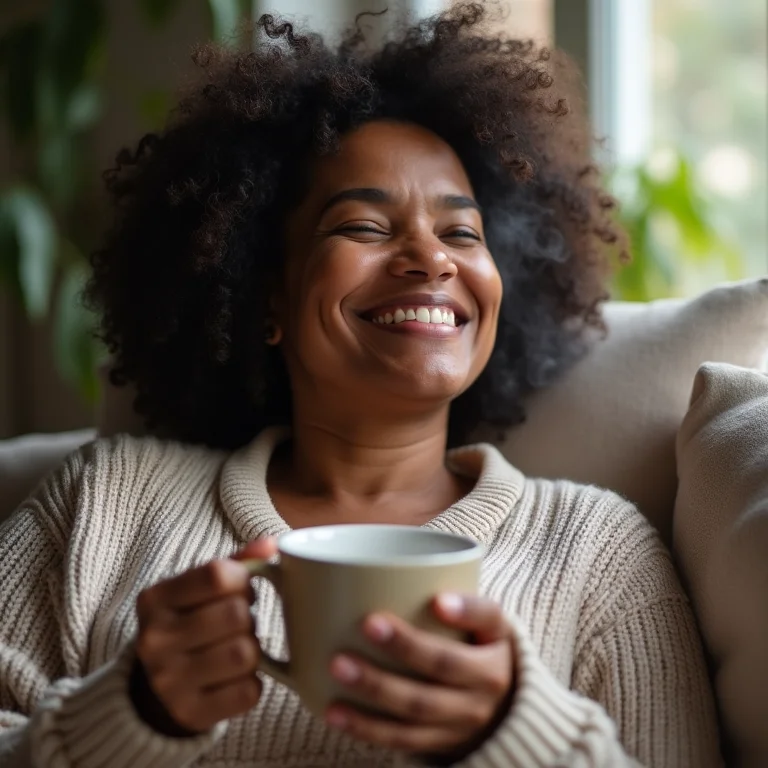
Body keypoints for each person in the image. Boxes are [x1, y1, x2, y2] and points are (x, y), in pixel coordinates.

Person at [0, 4, 721, 767]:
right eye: (366, 228)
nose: (430, 259)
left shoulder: (598, 551)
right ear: (265, 296)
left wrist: (516, 730)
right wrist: (129, 712)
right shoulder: (100, 507)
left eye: (461, 233)